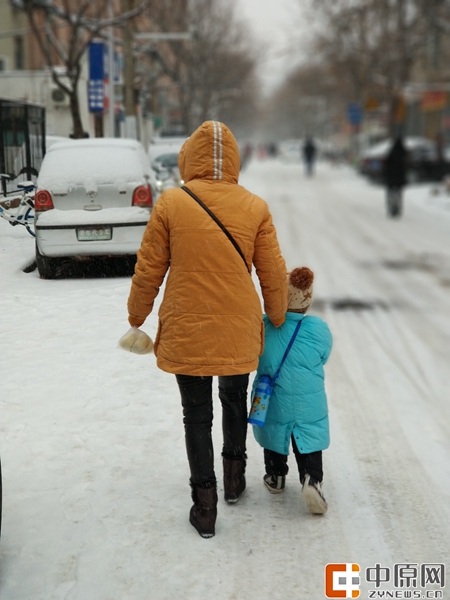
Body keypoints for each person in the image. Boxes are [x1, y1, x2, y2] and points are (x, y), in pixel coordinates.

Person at [125, 121, 288, 538]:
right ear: (233, 160)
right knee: (234, 397)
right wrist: (278, 313)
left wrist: (136, 316)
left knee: (195, 414)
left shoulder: (171, 204)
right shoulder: (255, 206)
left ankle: (205, 505)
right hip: (238, 322)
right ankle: (234, 479)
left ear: (189, 157)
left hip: (186, 324)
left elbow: (149, 270)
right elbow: (272, 272)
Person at [251, 267, 332, 515]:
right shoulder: (317, 328)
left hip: (272, 396)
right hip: (310, 401)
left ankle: (275, 476)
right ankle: (311, 480)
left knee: (274, 432)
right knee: (308, 438)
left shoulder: (265, 326)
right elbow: (323, 355)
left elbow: (256, 354)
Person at [384, 136, 407, 217]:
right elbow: (406, 166)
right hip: (399, 179)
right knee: (398, 195)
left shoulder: (391, 152)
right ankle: (398, 210)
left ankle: (391, 209)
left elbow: (387, 165)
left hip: (391, 178)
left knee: (390, 194)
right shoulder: (403, 153)